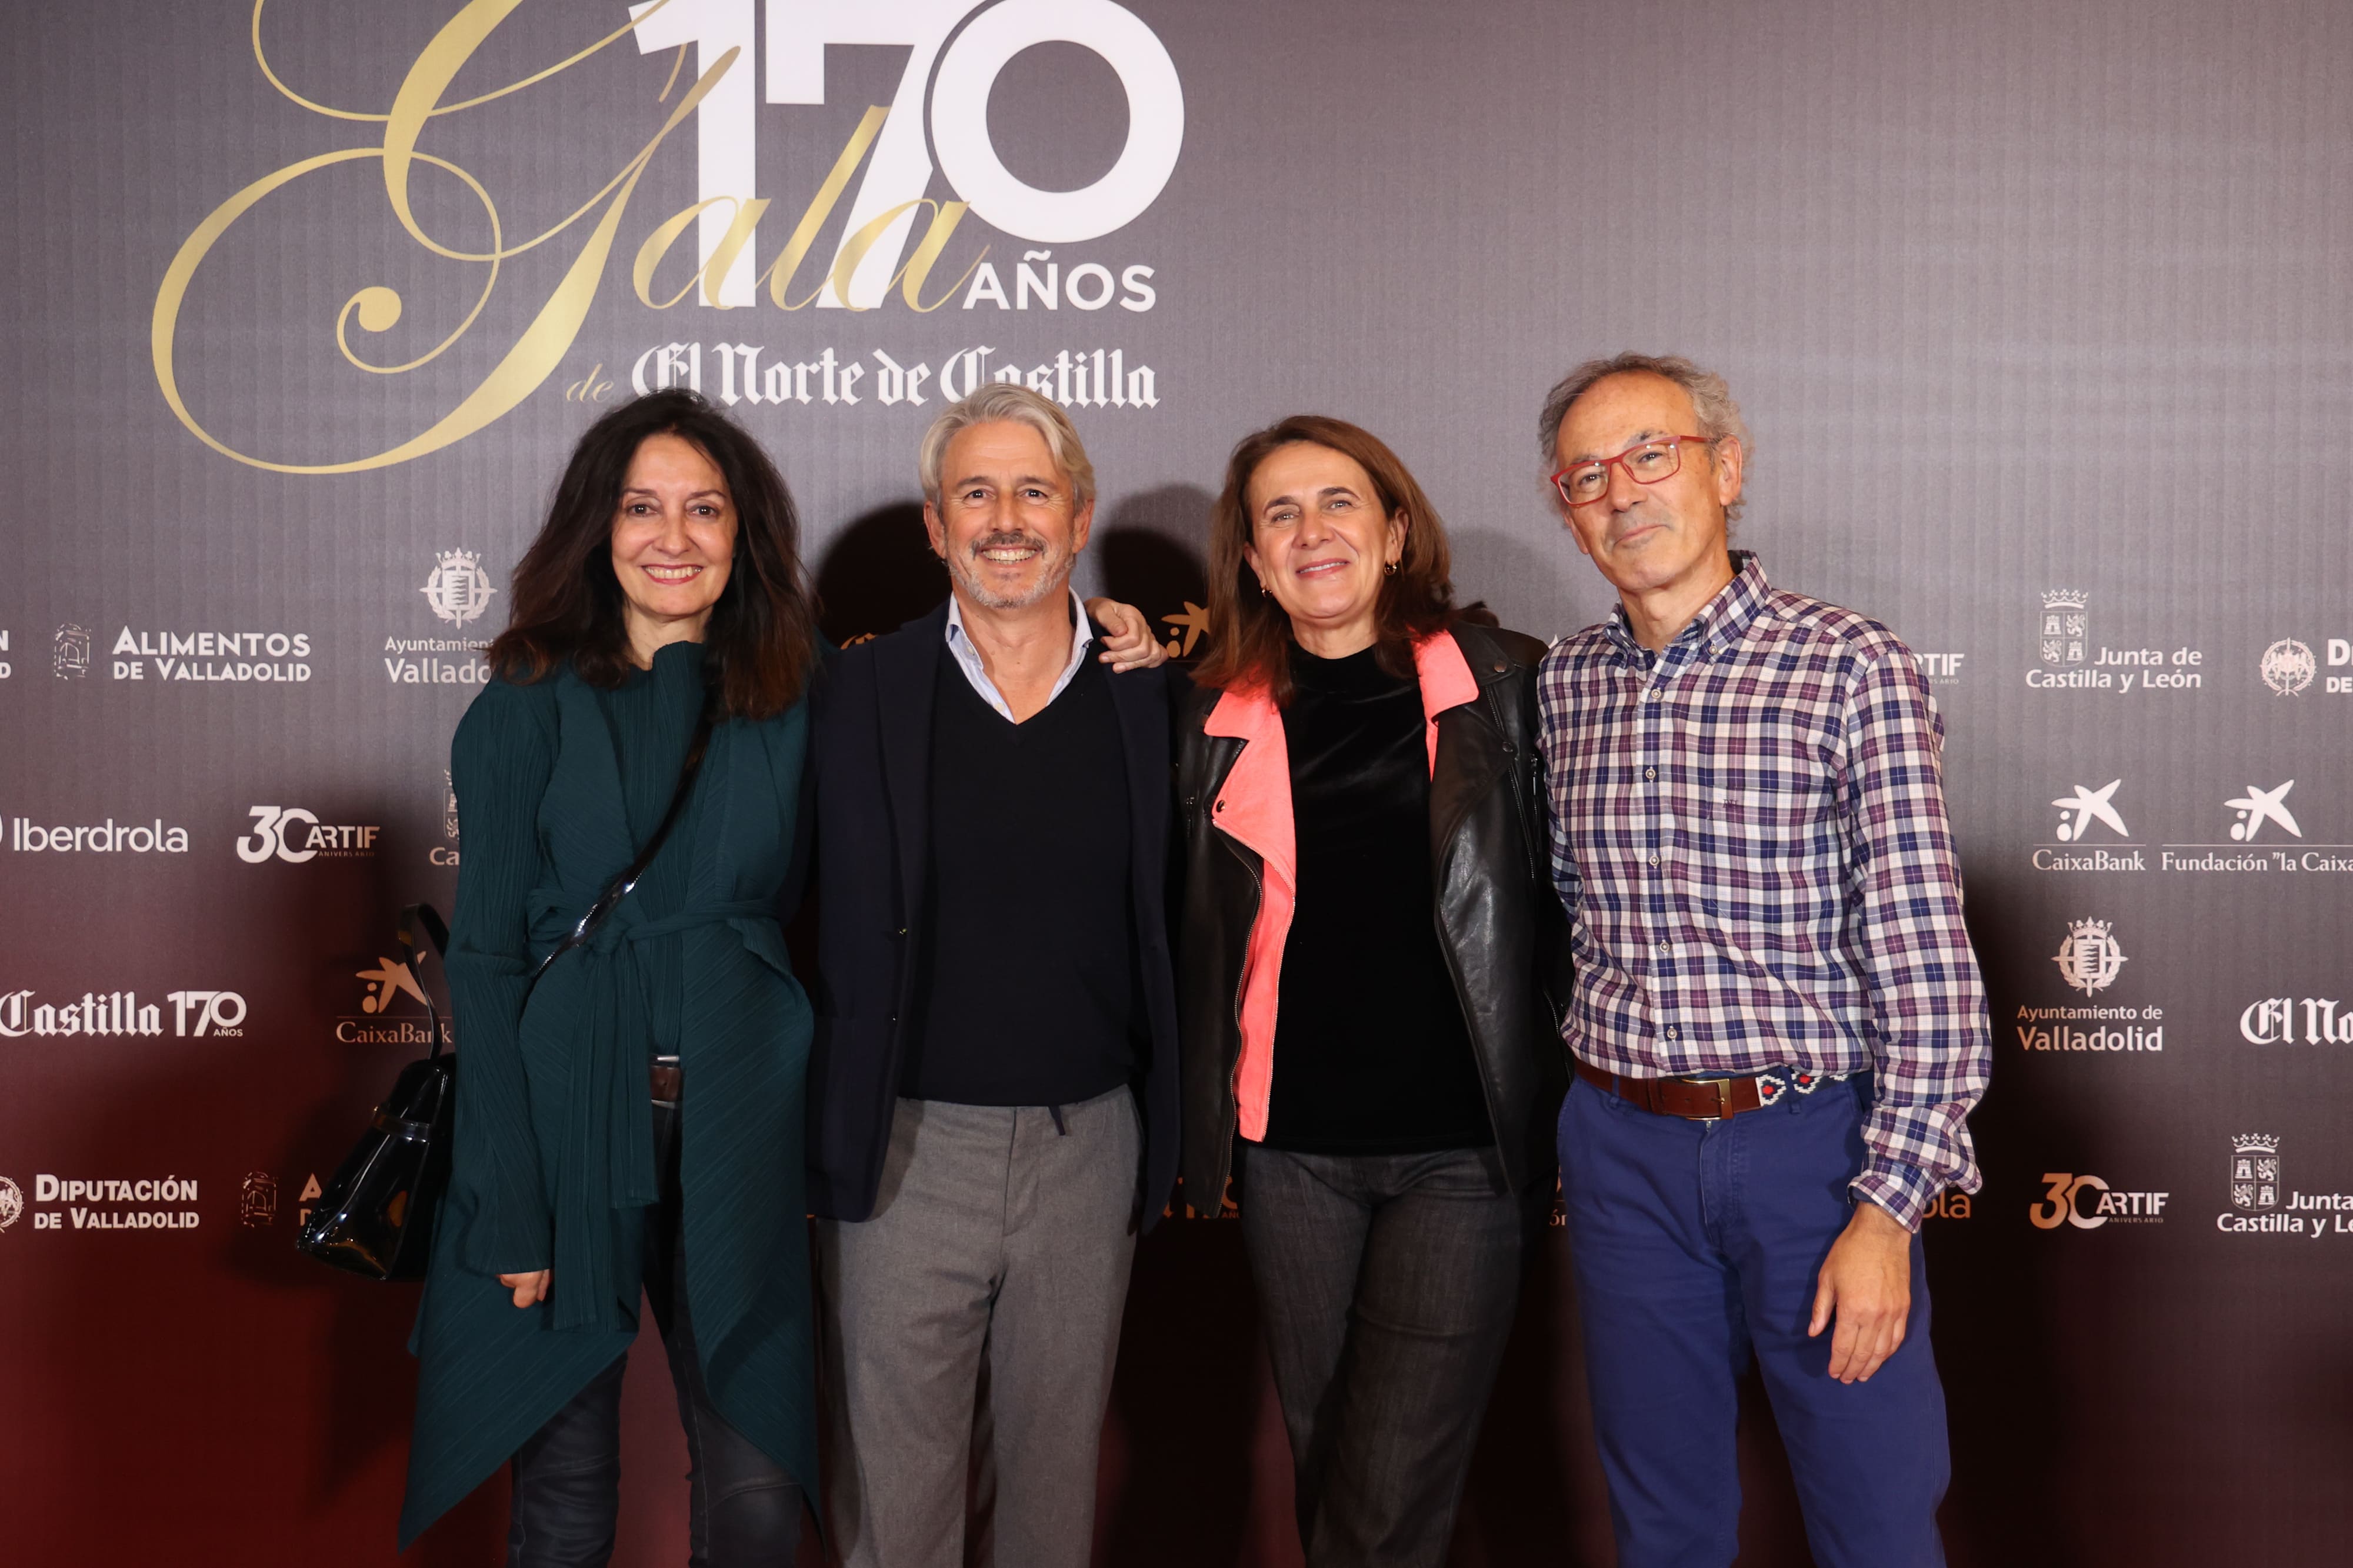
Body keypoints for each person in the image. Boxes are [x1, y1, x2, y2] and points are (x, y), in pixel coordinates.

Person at [1534, 353, 1991, 1568]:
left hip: (1810, 1151)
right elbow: (1574, 907)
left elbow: (1921, 955)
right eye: (1586, 476)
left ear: (1724, 470)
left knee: (1874, 1511)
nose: (1621, 492)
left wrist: (1887, 1208)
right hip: (1622, 1149)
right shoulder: (1564, 685)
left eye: (1650, 455)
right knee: (1660, 1517)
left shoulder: (1849, 664)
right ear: (1565, 512)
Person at [397, 388, 825, 1564]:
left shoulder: (799, 691)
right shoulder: (522, 705)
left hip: (741, 1110)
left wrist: (1104, 633)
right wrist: (508, 1198)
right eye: (642, 507)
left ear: (745, 533)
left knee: (753, 1470)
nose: (673, 537)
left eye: (704, 508)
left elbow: (954, 710)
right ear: (598, 524)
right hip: (564, 1104)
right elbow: (481, 963)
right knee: (567, 1478)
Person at [1175, 415, 1569, 1568]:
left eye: (1337, 502)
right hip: (1291, 1153)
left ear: (1395, 529)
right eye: (1278, 514)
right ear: (1250, 558)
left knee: (1388, 1482)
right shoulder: (1208, 719)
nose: (1311, 532)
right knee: (1332, 1458)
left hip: (1459, 1148)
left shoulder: (1508, 688)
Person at [805, 383, 1182, 1568]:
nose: (1004, 517)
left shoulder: (1155, 698)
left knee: (1049, 1501)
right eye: (976, 492)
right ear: (934, 525)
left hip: (1089, 1150)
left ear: (1077, 517)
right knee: (895, 1506)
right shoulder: (852, 695)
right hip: (906, 1146)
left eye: (1033, 490)